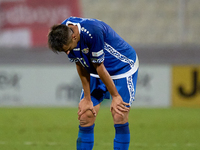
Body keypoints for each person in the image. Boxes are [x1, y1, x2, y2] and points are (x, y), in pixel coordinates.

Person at [48, 16, 139, 150]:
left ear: (74, 37)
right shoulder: (62, 33)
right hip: (95, 70)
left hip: (122, 68)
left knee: (119, 115)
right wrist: (87, 98)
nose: (67, 52)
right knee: (86, 115)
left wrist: (115, 96)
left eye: (67, 49)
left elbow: (100, 67)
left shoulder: (93, 31)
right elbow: (80, 63)